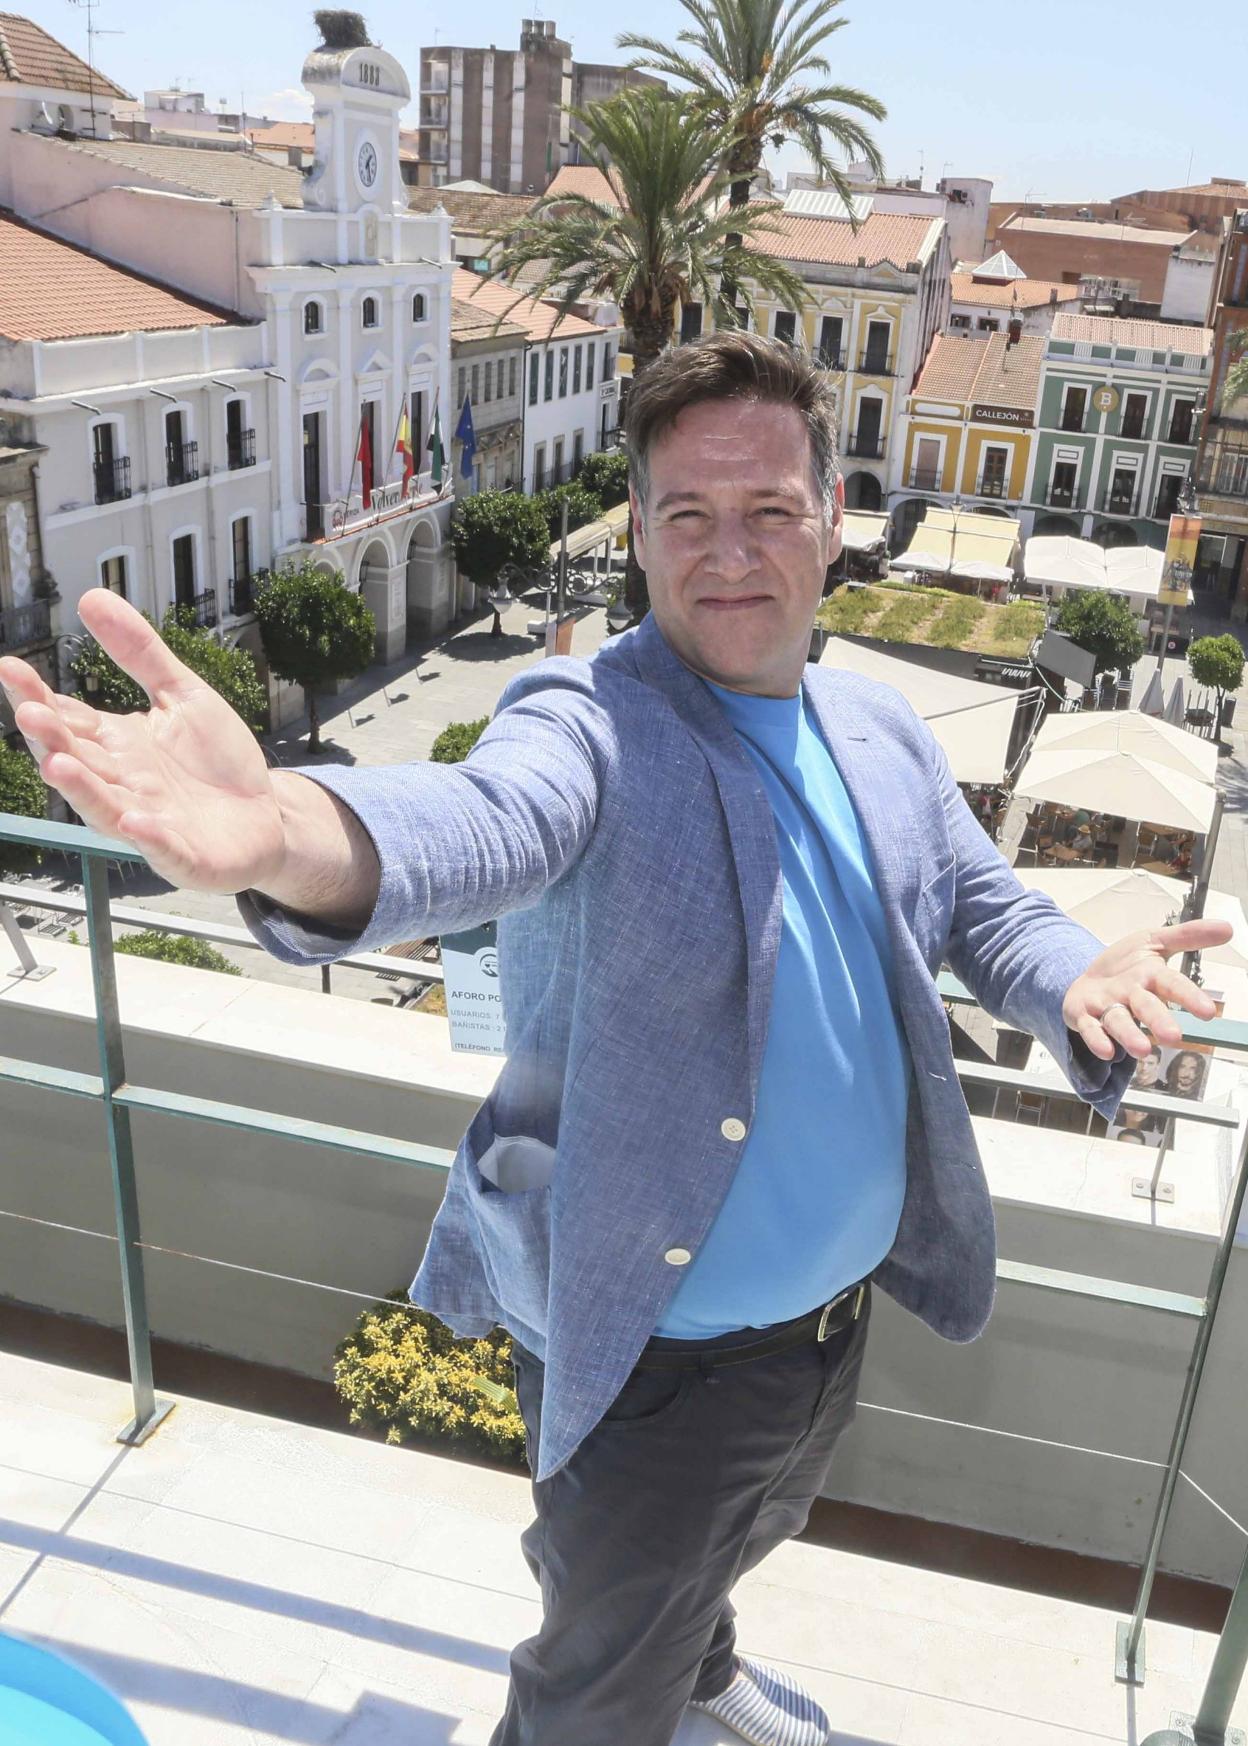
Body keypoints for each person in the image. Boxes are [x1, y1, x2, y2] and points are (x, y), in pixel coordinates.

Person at [0, 332, 1230, 1746]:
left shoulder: (878, 723)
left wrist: (1075, 973)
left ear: (832, 517)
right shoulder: (589, 723)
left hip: (830, 1330)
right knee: (595, 1687)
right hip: (660, 1365)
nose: (730, 553)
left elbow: (975, 902)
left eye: (769, 510)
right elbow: (488, 821)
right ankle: (654, 1671)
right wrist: (286, 831)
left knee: (722, 1548)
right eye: (687, 516)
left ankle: (701, 1662)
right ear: (638, 532)